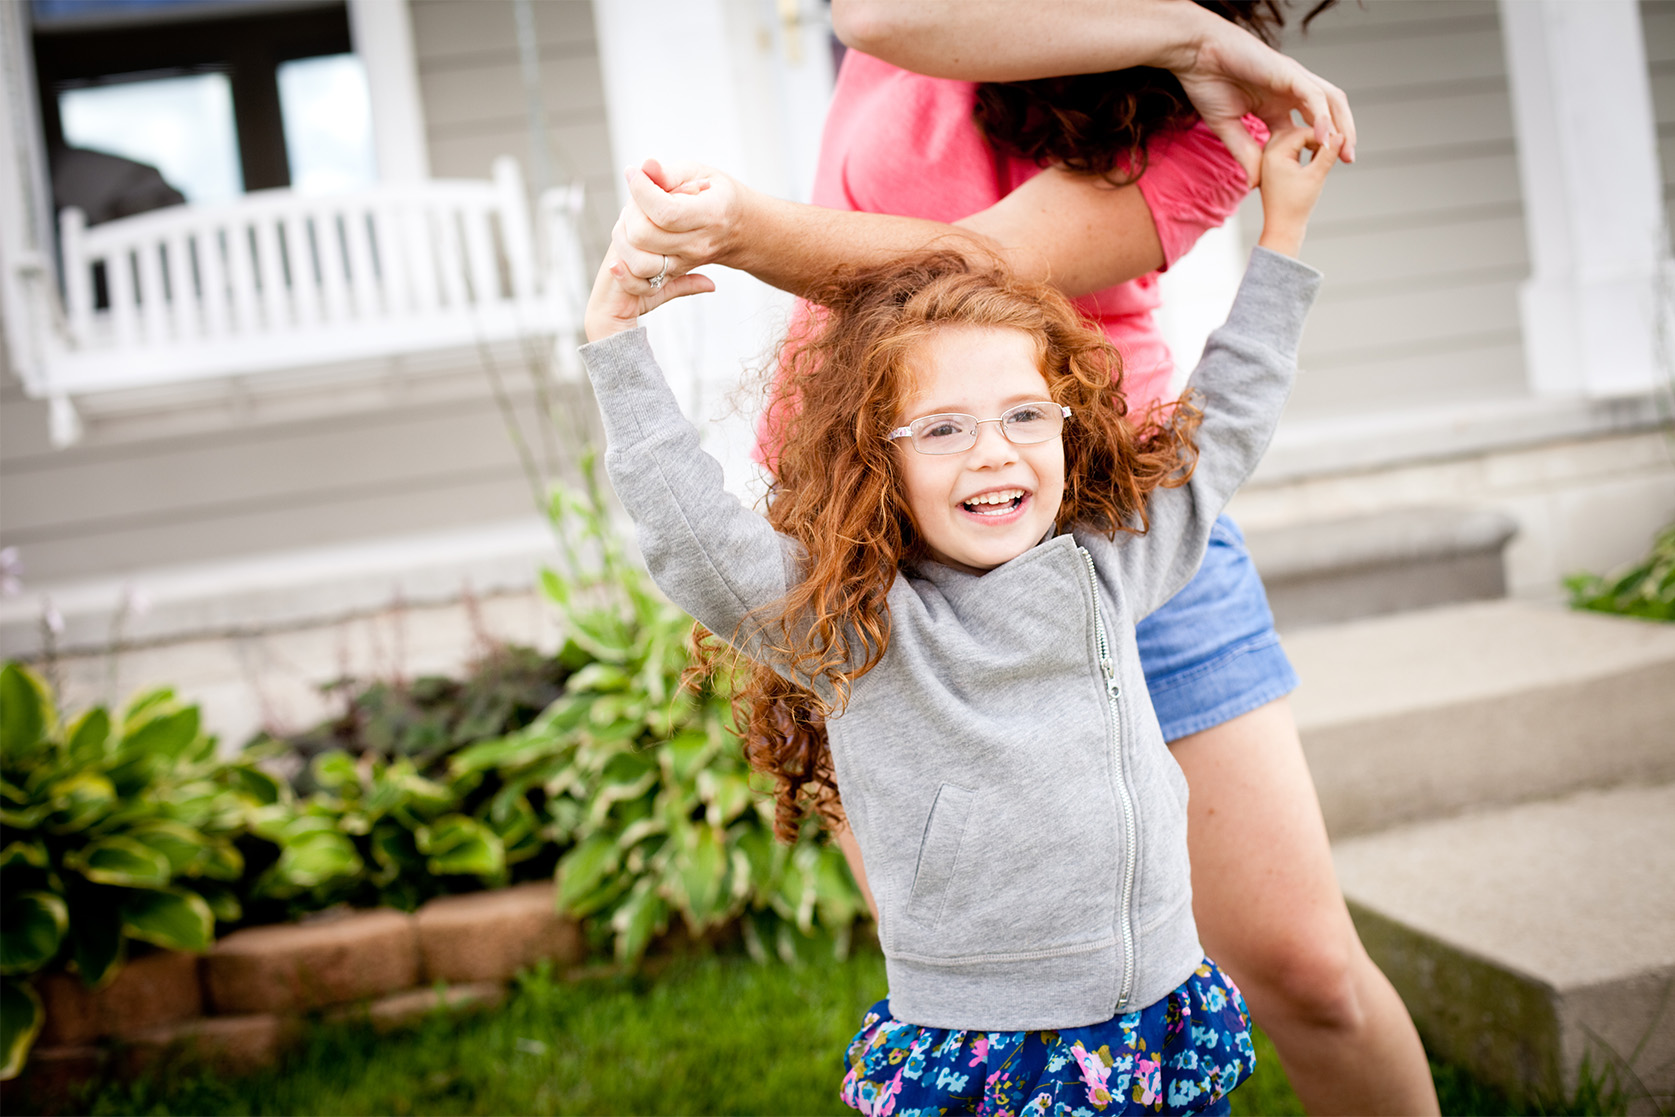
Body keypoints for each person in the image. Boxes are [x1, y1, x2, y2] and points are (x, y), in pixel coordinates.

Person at [611, 4, 1438, 1112]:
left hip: (1110, 508)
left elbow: (984, 269)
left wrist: (734, 225)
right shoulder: (926, 25)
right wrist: (1189, 31)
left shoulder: (1210, 124)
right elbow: (869, 12)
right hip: (868, 529)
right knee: (988, 982)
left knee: (1310, 973)